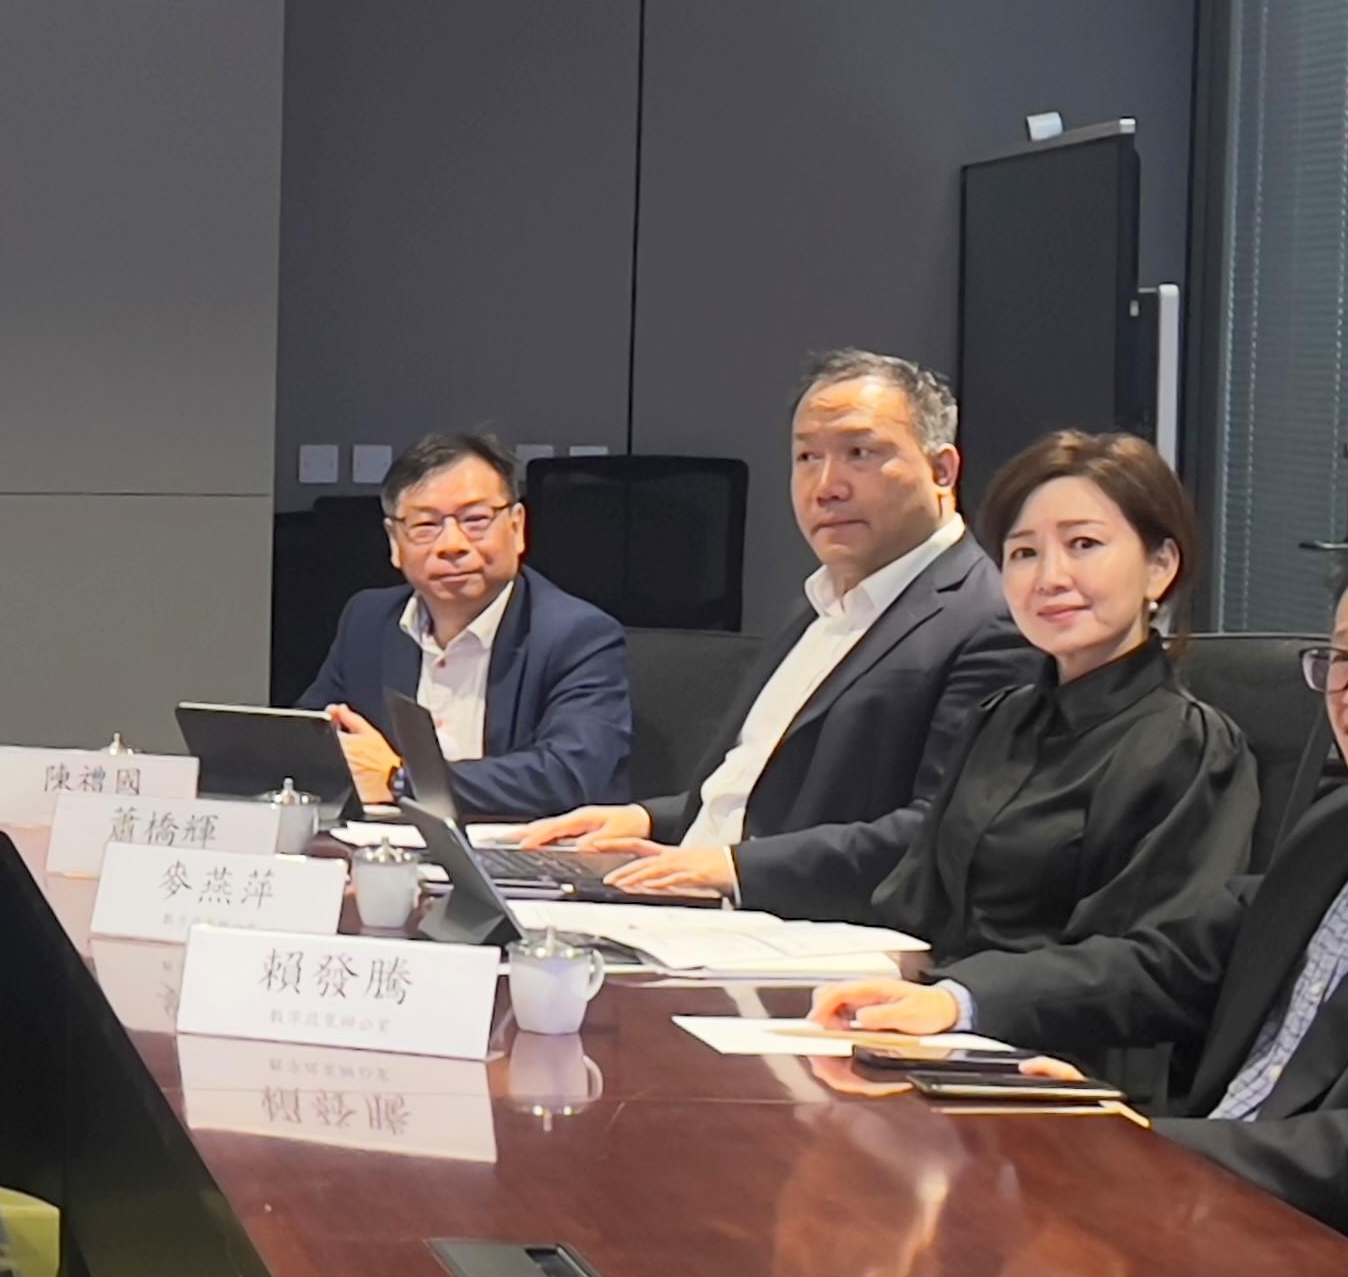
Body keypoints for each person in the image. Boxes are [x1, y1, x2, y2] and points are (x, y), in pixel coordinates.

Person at [819, 524, 1348, 1277]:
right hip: (1211, 1218)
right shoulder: (1346, 823)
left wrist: (1148, 1142)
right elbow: (1174, 962)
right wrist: (960, 998)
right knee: (913, 1234)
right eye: (1345, 661)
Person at [516, 350, 1035, 920]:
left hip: (812, 938)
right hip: (696, 910)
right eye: (807, 457)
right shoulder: (817, 604)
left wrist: (734, 870)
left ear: (942, 471)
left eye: (859, 453)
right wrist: (644, 820)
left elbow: (942, 832)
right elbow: (759, 801)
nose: (826, 486)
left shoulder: (988, 618)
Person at [863, 430, 1256, 957]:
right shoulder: (998, 720)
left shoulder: (1189, 745)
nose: (1049, 577)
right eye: (1024, 552)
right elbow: (911, 904)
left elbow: (1156, 963)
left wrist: (958, 998)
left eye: (1084, 545)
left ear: (1160, 566)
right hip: (937, 1017)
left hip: (1055, 1033)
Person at [295, 430, 629, 819]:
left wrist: (399, 779)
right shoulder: (368, 621)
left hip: (522, 861)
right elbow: (308, 743)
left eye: (475, 520)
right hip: (387, 852)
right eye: (425, 525)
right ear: (394, 542)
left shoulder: (579, 635)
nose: (451, 544)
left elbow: (568, 776)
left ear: (517, 527)